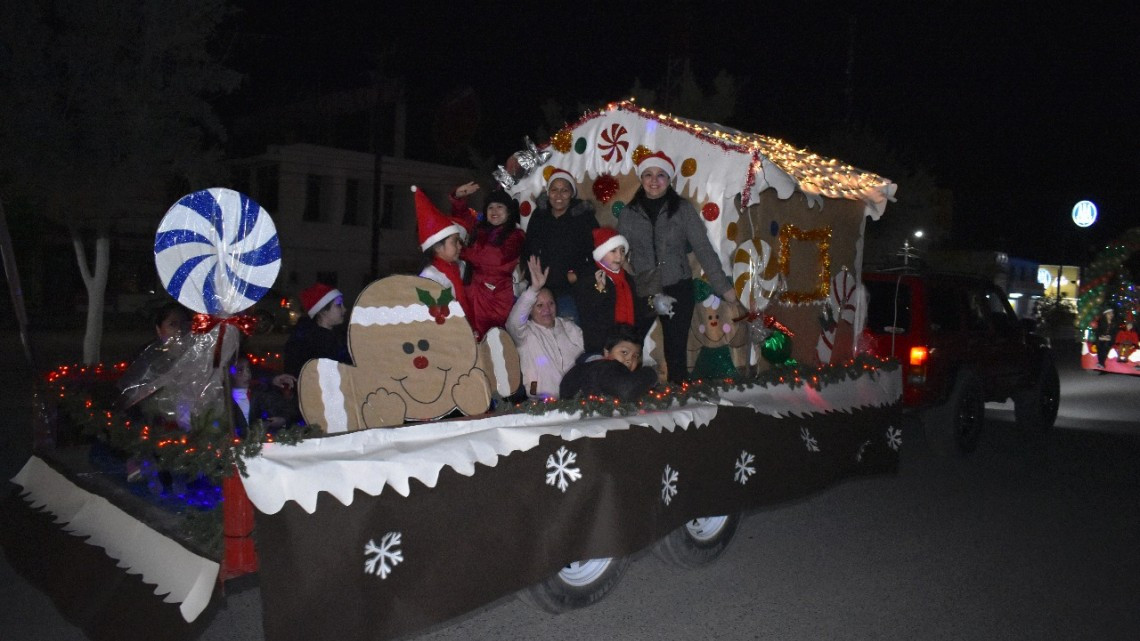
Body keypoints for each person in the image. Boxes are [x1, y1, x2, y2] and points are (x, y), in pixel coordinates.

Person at [618, 150, 736, 383]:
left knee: (675, 350)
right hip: (643, 288)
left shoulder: (683, 210)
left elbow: (703, 249)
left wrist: (724, 287)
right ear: (641, 179)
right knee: (631, 344)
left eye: (660, 175)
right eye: (648, 174)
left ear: (669, 179)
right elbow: (619, 253)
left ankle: (679, 399)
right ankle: (627, 390)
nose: (654, 180)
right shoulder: (628, 214)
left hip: (677, 287)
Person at [520, 167, 598, 325]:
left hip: (569, 290)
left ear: (572, 193)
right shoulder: (539, 216)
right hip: (540, 289)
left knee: (569, 332)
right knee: (537, 334)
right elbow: (528, 248)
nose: (559, 195)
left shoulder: (584, 217)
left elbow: (597, 252)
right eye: (554, 190)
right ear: (548, 192)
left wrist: (578, 273)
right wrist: (529, 275)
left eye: (564, 190)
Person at [450, 182, 526, 339]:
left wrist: (462, 251)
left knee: (492, 341)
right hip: (471, 293)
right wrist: (458, 197)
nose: (494, 211)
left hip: (496, 297)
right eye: (491, 207)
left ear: (509, 212)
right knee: (469, 339)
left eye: (500, 207)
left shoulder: (516, 235)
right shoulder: (481, 229)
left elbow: (495, 258)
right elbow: (462, 219)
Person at [506, 256, 585, 399]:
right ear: (530, 310)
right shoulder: (525, 333)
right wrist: (533, 289)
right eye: (539, 305)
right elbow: (513, 322)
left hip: (577, 401)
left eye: (551, 303)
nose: (547, 309)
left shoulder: (568, 327)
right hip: (542, 404)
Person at [573, 227, 655, 358]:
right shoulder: (590, 276)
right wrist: (600, 290)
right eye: (613, 251)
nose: (619, 256)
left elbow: (637, 310)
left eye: (622, 251)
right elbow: (588, 309)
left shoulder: (627, 279)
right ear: (601, 253)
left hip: (628, 343)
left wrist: (650, 304)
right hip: (602, 346)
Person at [414, 185, 473, 321]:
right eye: (455, 242)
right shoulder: (430, 276)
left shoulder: (458, 268)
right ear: (437, 247)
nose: (460, 246)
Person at [559, 324, 658, 401]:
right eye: (624, 352)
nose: (629, 359)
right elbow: (626, 390)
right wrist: (653, 373)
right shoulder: (605, 367)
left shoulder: (582, 369)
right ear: (607, 352)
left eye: (635, 356)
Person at [283, 282, 349, 378]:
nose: (344, 309)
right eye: (339, 305)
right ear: (323, 311)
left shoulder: (340, 335)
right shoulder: (306, 343)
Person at [229, 355, 295, 437]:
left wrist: (282, 420)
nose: (247, 374)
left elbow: (284, 410)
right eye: (240, 371)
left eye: (248, 369)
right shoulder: (225, 400)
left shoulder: (259, 394)